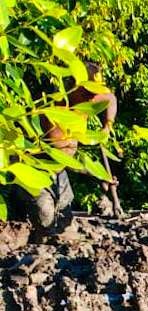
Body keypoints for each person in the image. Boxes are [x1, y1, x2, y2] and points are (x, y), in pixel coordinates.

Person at [14, 62, 118, 232]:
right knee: (45, 218)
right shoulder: (53, 113)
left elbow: (110, 99)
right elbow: (66, 157)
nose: (92, 98)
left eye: (95, 93)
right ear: (74, 87)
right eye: (88, 92)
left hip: (59, 172)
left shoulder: (88, 100)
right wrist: (99, 174)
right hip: (36, 171)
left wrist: (107, 126)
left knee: (65, 224)